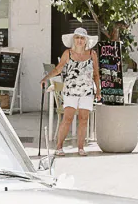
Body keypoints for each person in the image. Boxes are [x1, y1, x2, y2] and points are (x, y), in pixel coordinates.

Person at [40, 26, 100, 156]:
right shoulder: (68, 53)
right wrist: (45, 78)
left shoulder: (92, 54)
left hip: (87, 91)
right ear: (74, 39)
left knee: (84, 119)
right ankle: (59, 147)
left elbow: (96, 74)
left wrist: (98, 90)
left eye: (82, 38)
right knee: (67, 118)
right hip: (70, 91)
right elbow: (58, 69)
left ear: (86, 40)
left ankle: (80, 148)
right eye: (77, 37)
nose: (79, 40)